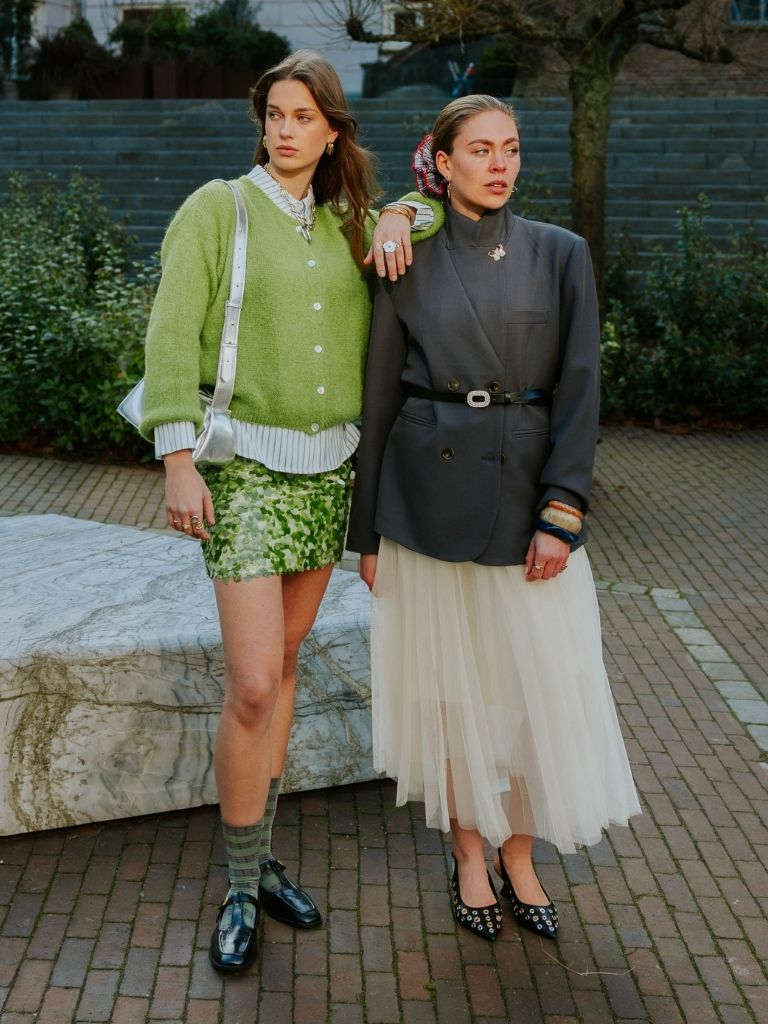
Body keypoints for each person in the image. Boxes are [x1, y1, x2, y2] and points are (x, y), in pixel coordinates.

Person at [140, 49, 438, 973]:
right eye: (274, 114)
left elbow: (434, 206)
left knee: (287, 663)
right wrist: (177, 460)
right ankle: (239, 886)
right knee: (253, 683)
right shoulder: (218, 208)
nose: (285, 130)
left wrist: (400, 210)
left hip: (328, 471)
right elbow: (168, 333)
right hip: (242, 473)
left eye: (304, 116)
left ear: (334, 129)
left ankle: (262, 857)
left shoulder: (353, 221)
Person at [347, 95, 641, 943]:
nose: (500, 163)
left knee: (536, 695)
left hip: (527, 506)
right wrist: (366, 534)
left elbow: (581, 388)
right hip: (427, 506)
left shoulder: (560, 252)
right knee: (451, 699)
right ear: (441, 163)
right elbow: (377, 398)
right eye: (479, 149)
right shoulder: (406, 253)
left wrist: (563, 510)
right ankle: (469, 855)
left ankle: (520, 852)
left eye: (509, 147)